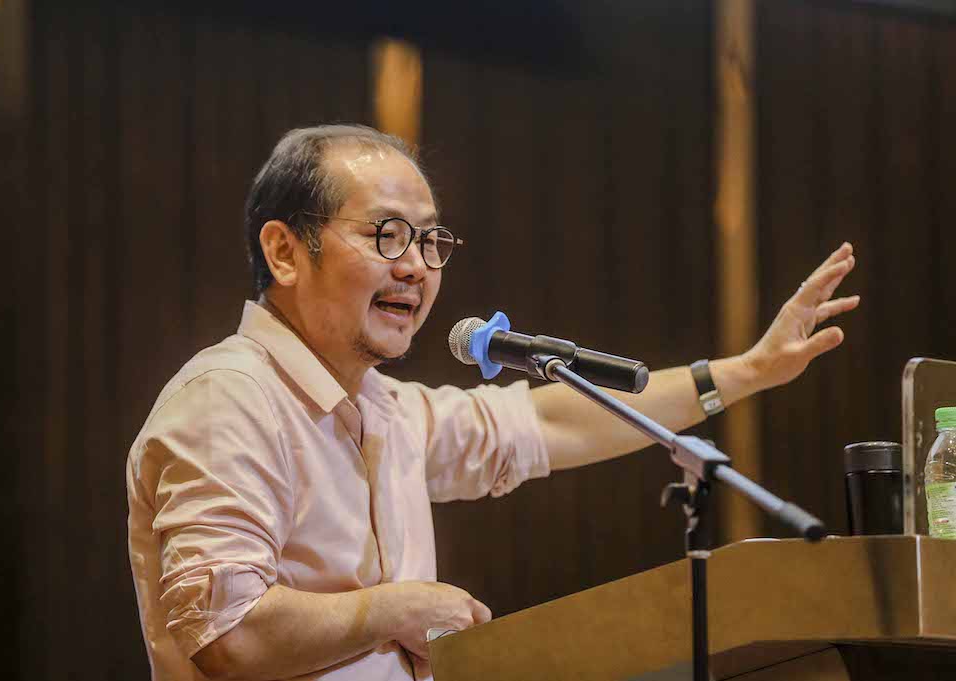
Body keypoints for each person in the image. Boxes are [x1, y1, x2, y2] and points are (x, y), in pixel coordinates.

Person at [126, 124, 859, 681]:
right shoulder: (228, 398)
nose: (415, 266)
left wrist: (746, 372)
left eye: (431, 240)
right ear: (285, 251)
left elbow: (546, 419)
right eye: (386, 234)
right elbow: (228, 632)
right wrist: (399, 607)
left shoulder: (387, 408)